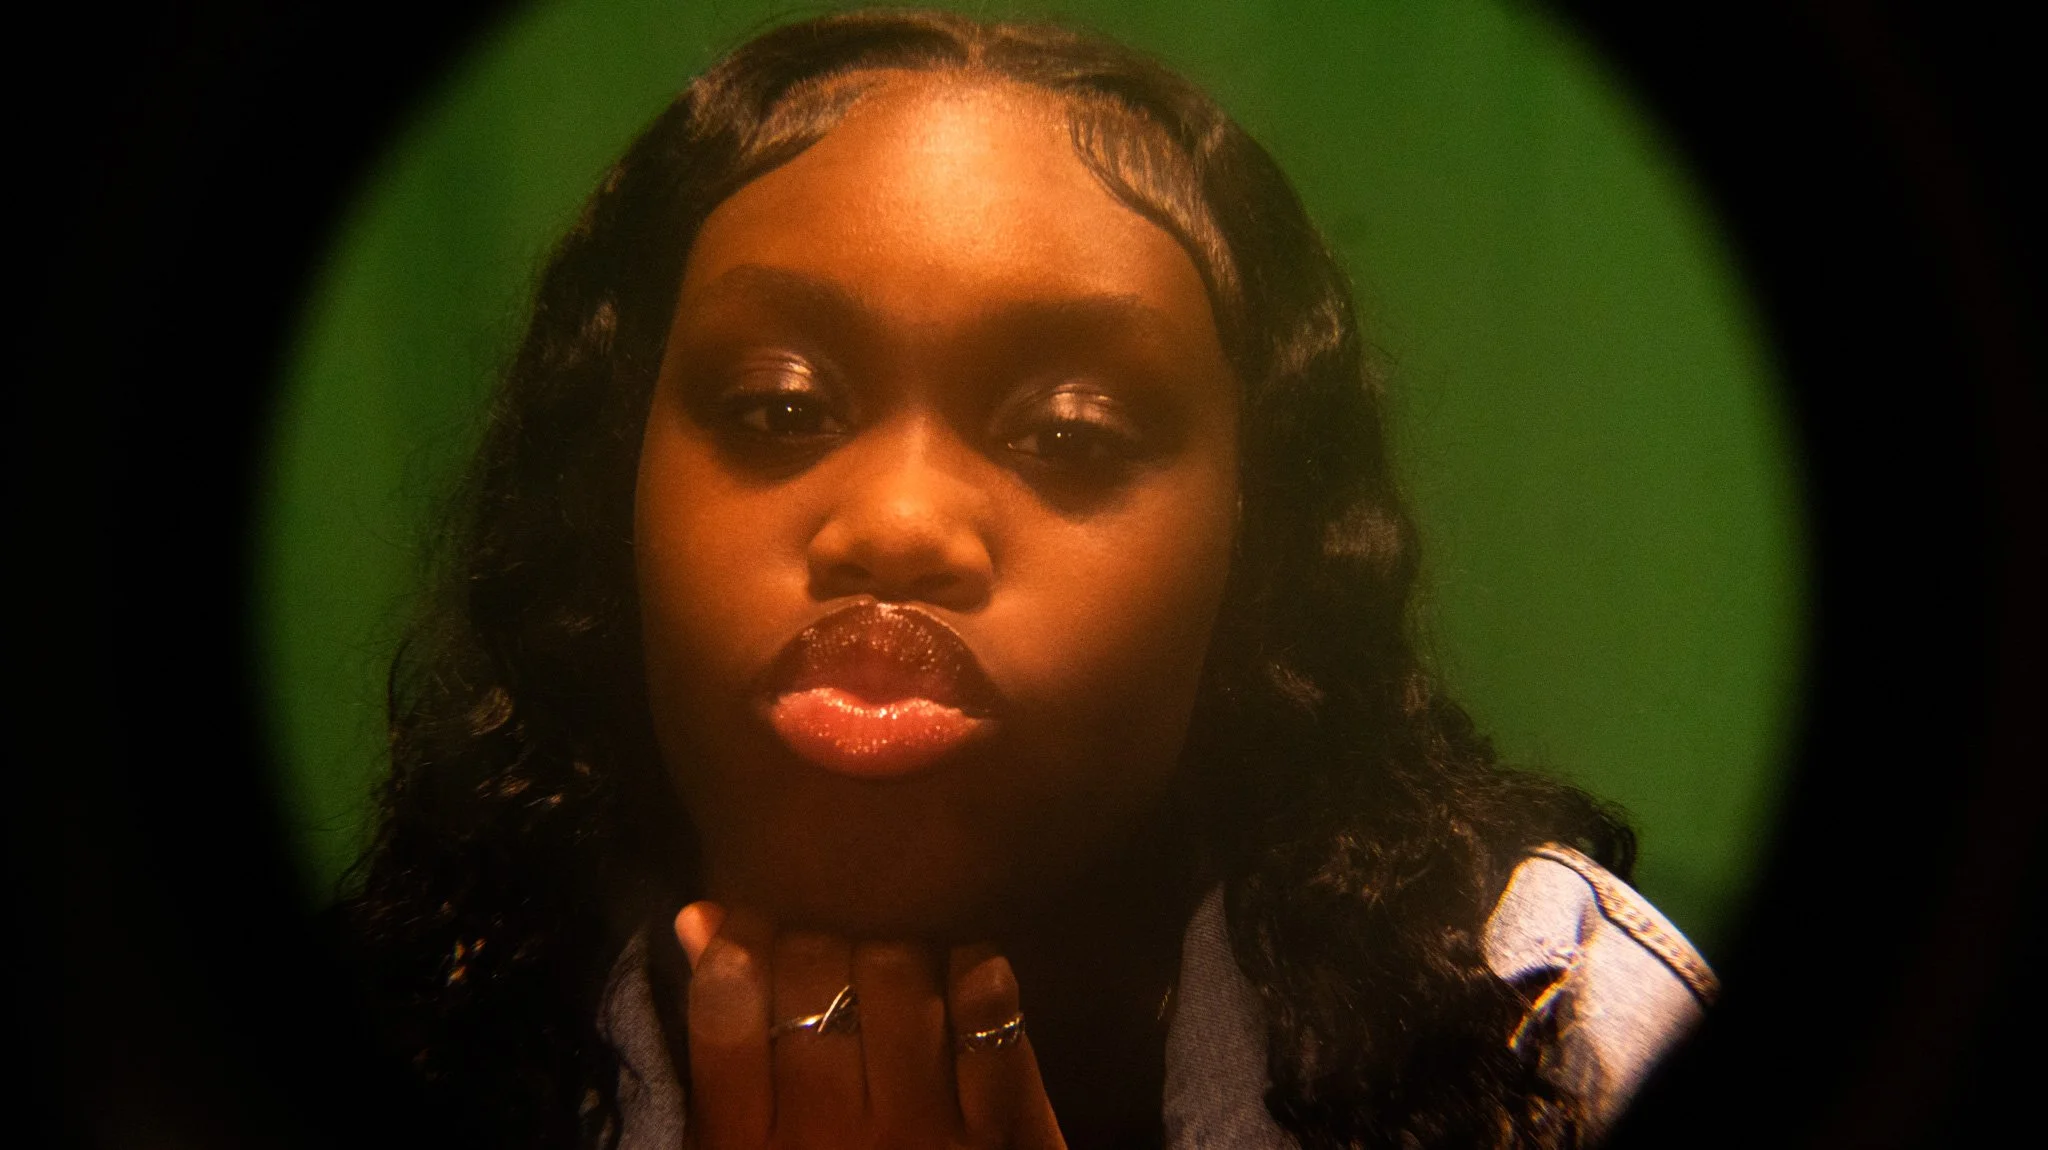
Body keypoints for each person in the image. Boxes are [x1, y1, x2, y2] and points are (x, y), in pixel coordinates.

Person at [342, 9, 1715, 1148]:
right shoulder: (402, 1021)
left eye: (1068, 432)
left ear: (1258, 555)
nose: (897, 524)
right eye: (777, 404)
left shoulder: (1552, 1026)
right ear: (612, 496)